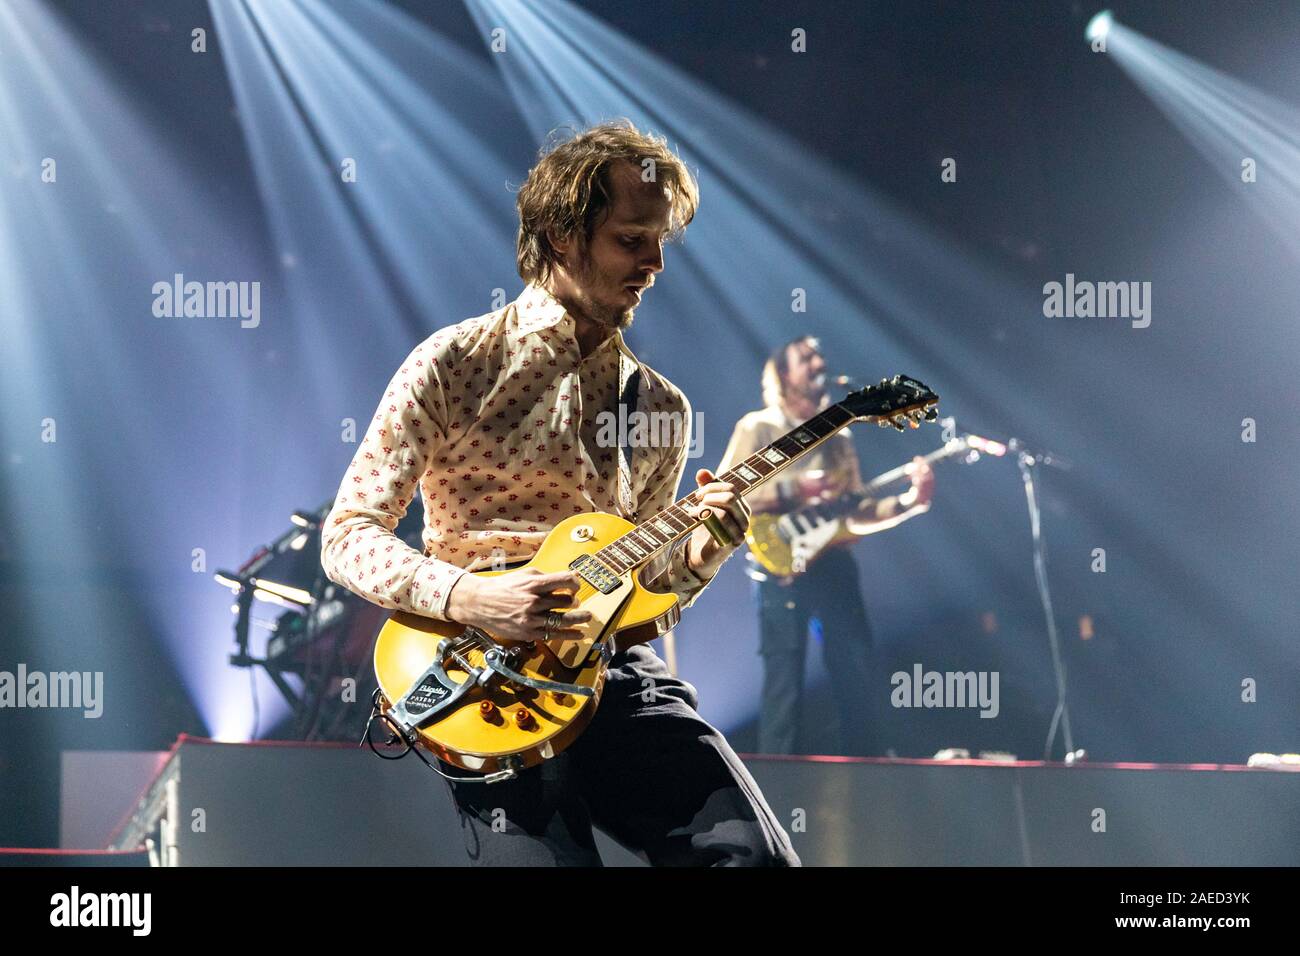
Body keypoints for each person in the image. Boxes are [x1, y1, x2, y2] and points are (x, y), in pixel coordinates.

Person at [321, 121, 798, 866]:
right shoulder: (453, 363)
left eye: (661, 242)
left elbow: (642, 599)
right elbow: (347, 532)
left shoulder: (660, 407)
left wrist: (701, 554)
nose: (655, 263)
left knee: (749, 857)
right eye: (632, 239)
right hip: (485, 672)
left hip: (614, 672)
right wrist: (469, 599)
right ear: (560, 233)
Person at [717, 335, 934, 756]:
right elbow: (723, 495)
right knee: (784, 680)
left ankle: (870, 774)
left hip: (834, 563)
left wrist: (910, 503)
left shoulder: (841, 437)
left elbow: (854, 513)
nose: (819, 362)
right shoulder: (758, 426)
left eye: (819, 355)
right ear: (782, 374)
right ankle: (778, 786)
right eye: (806, 357)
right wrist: (792, 489)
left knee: (857, 669)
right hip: (777, 565)